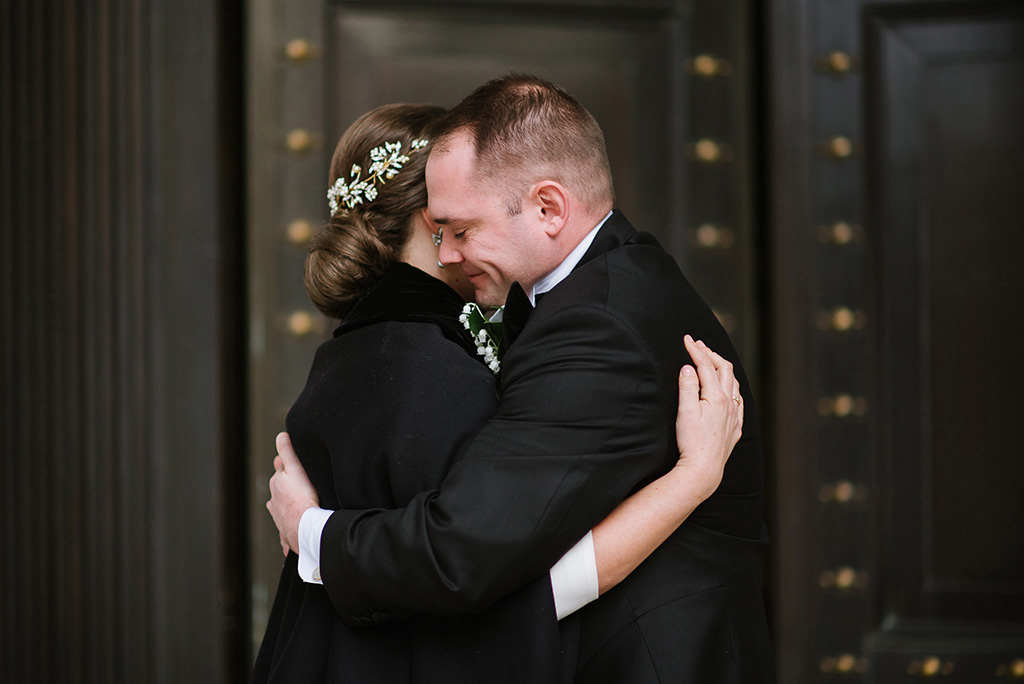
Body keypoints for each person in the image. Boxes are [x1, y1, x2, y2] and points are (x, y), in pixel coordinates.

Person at [254, 102, 745, 683]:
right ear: (422, 219)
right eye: (447, 230)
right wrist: (693, 480)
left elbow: (473, 562)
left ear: (548, 207)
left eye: (462, 230)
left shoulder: (359, 351)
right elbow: (470, 567)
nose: (452, 251)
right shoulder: (428, 365)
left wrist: (312, 533)